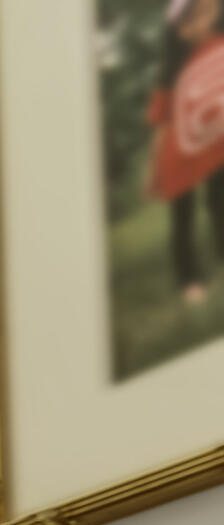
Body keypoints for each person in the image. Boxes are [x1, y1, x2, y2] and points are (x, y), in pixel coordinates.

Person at [152, 0, 224, 304]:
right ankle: (189, 278)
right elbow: (161, 119)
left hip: (215, 144)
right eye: (186, 21)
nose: (195, 25)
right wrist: (154, 169)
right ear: (176, 30)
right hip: (180, 150)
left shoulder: (218, 45)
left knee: (220, 202)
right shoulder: (171, 69)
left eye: (200, 15)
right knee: (182, 215)